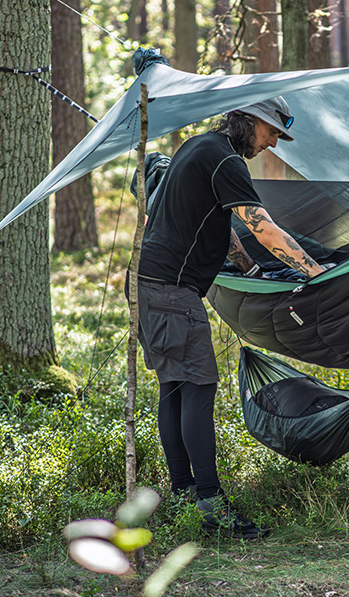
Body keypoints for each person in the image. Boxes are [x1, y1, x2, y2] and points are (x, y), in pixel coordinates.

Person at [136, 96, 323, 539]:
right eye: (272, 132)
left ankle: (183, 493)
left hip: (151, 286)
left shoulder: (198, 147)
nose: (273, 143)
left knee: (176, 389)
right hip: (172, 293)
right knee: (198, 390)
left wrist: (249, 268)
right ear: (250, 121)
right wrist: (315, 273)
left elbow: (218, 226)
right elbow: (262, 226)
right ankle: (211, 506)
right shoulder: (226, 161)